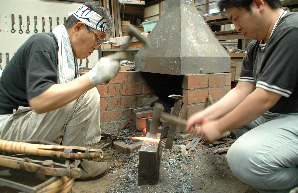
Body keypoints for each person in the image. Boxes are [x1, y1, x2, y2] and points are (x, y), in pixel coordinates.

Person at [0, 1, 125, 179]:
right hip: (6, 127)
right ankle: (72, 164)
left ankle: (67, 159)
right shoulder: (43, 44)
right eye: (98, 38)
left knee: (80, 91)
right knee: (86, 94)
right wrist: (92, 78)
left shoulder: (65, 54)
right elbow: (40, 101)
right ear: (78, 27)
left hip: (21, 121)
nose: (97, 46)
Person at [186, 0, 298, 192]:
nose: (236, 27)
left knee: (241, 158)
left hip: (293, 117)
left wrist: (219, 127)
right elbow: (242, 90)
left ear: (258, 4)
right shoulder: (256, 44)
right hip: (275, 117)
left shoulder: (291, 30)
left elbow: (265, 97)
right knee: (226, 116)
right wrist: (209, 115)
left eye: (236, 18)